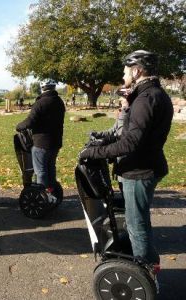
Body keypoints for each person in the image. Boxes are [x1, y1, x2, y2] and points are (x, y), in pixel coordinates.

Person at [80, 50, 174, 265]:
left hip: (139, 171)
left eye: (125, 71)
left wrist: (94, 152)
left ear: (137, 70)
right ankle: (150, 265)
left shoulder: (146, 98)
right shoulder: (150, 95)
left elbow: (131, 142)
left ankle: (145, 271)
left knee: (136, 224)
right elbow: (128, 133)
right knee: (139, 221)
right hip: (142, 166)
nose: (123, 76)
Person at [16, 79, 66, 202]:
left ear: (43, 88)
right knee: (51, 168)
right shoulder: (59, 101)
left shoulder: (40, 103)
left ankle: (43, 197)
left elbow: (30, 121)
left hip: (41, 143)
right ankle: (52, 191)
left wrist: (19, 126)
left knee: (41, 171)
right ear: (53, 87)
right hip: (55, 142)